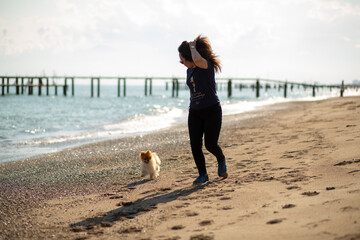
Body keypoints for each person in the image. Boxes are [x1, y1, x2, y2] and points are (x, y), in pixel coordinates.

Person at [178, 35, 228, 184]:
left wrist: (192, 46)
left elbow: (198, 61)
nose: (180, 61)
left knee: (210, 144)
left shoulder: (206, 66)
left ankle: (221, 159)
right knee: (195, 145)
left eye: (181, 57)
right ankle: (203, 174)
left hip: (212, 110)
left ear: (188, 56)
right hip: (195, 111)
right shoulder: (189, 71)